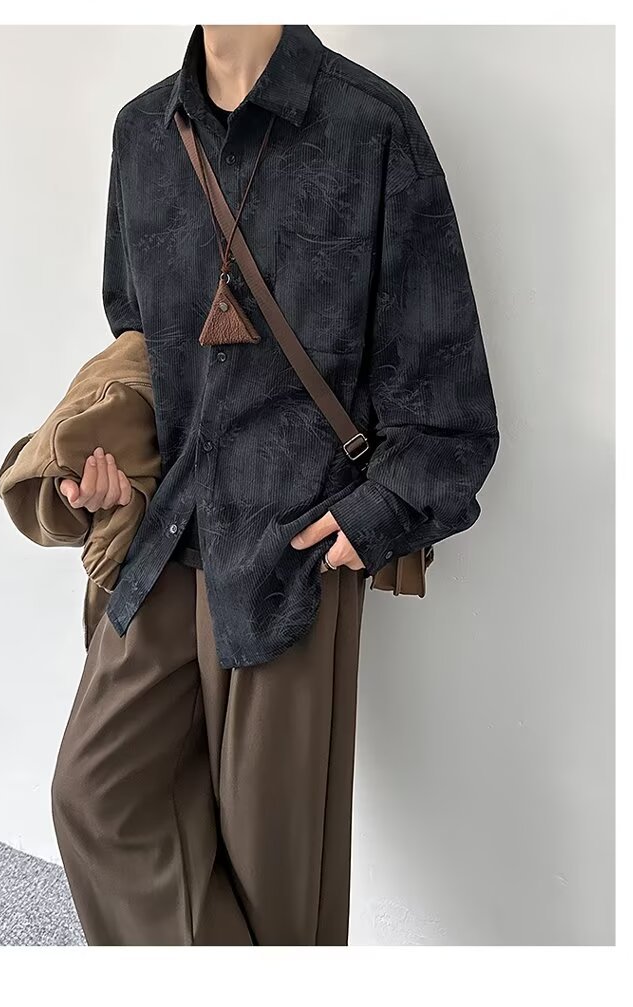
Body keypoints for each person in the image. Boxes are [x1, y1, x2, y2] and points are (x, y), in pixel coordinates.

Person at [50, 24, 499, 946]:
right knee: (96, 797)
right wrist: (112, 472)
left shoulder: (372, 127)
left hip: (295, 553)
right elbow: (138, 346)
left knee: (278, 885)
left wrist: (375, 514)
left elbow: (449, 400)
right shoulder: (143, 132)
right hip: (168, 535)